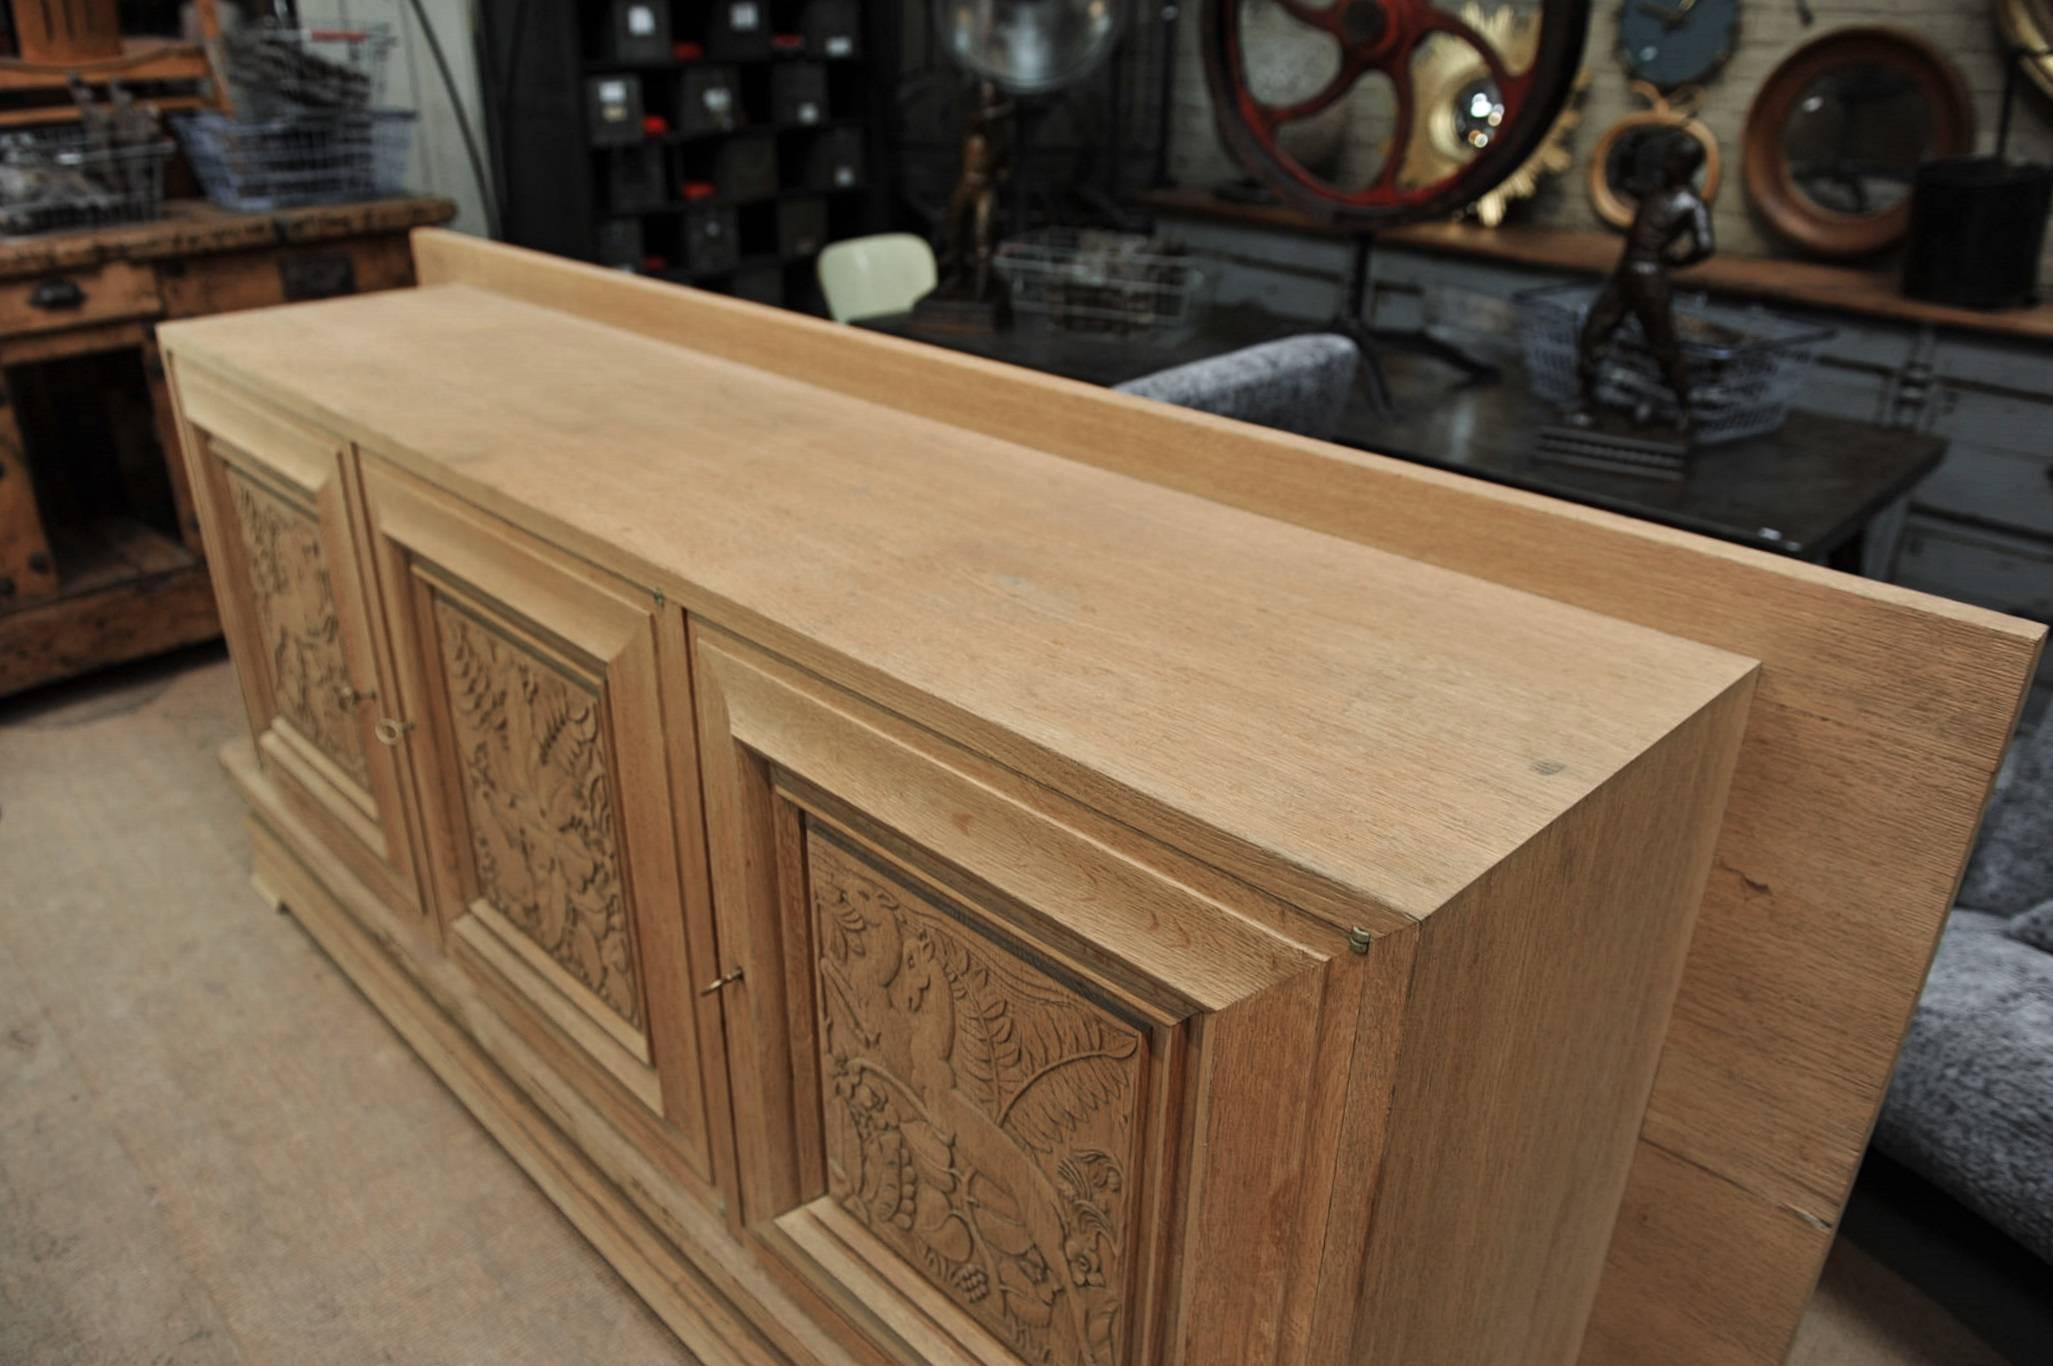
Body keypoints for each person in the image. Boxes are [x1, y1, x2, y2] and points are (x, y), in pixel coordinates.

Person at [1571, 131, 1714, 437]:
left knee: (1663, 345)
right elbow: (1626, 180)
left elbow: (1705, 245)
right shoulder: (1655, 192)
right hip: (1626, 271)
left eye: (1674, 158)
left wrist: (1674, 260)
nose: (1667, 163)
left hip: (1650, 276)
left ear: (1686, 164)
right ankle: (1585, 402)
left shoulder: (1691, 204)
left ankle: (1684, 409)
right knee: (1594, 331)